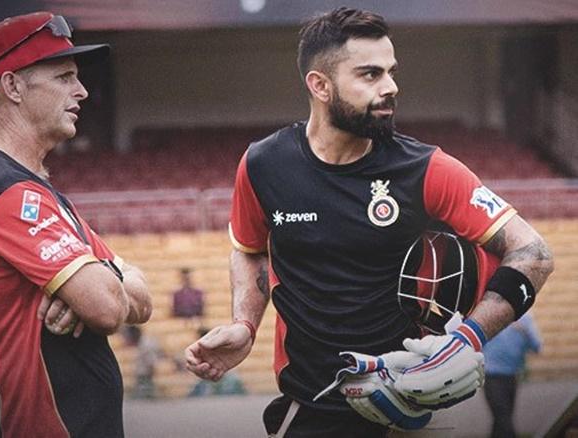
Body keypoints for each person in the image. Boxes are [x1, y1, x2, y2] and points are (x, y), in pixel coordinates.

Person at [185, 7, 554, 437]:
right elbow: (249, 250)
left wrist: (466, 340)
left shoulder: (427, 168)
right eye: (370, 75)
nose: (391, 87)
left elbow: (534, 253)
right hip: (312, 404)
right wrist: (244, 325)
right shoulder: (263, 165)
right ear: (319, 86)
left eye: (391, 72)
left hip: (417, 409)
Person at [0, 12, 152, 437]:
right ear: (13, 87)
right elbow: (110, 306)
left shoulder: (33, 188)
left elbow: (139, 297)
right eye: (63, 77)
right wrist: (101, 288)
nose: (81, 91)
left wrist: (105, 282)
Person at [483, 312, 542, 438]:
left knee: (501, 419)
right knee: (503, 419)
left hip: (512, 376)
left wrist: (524, 331)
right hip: (491, 376)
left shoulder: (525, 319)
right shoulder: (491, 316)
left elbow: (537, 346)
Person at [123, 326, 163, 399]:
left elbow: (151, 360)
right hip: (142, 373)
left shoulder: (146, 344)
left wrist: (150, 369)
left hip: (146, 373)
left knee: (146, 392)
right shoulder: (142, 342)